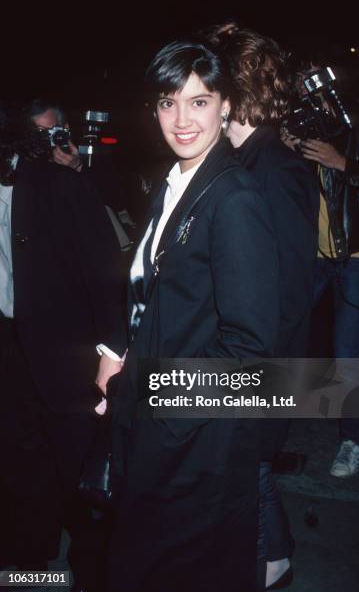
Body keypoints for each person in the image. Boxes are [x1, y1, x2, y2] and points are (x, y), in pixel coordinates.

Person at [96, 40, 280, 592]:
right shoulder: (176, 182)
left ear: (226, 106)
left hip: (192, 450)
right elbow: (149, 291)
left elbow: (248, 356)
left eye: (199, 102)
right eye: (167, 102)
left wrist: (143, 394)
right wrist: (113, 354)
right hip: (157, 435)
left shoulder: (235, 198)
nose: (181, 119)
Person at [205, 23, 319, 589]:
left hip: (262, 365)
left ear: (236, 92)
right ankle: (273, 559)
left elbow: (292, 291)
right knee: (242, 472)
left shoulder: (275, 168)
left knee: (245, 467)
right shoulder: (243, 161)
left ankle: (270, 564)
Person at [0, 102, 127, 591]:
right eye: (46, 136)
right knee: (22, 477)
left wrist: (110, 353)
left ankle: (92, 576)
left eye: (61, 134)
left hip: (71, 354)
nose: (57, 143)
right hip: (11, 354)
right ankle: (31, 573)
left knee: (85, 482)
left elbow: (106, 275)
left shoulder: (64, 186)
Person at [282, 62, 359, 478]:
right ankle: (262, 426)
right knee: (283, 334)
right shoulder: (302, 126)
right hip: (310, 256)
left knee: (348, 353)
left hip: (357, 255)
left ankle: (354, 439)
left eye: (314, 84)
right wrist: (287, 149)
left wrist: (343, 162)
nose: (308, 93)